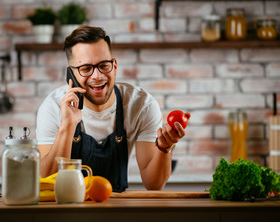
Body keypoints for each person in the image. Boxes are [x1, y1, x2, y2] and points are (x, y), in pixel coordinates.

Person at [36, 25, 190, 192]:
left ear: (115, 66)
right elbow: (46, 182)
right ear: (71, 75)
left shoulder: (141, 105)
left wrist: (164, 147)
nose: (97, 76)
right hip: (67, 208)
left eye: (103, 65)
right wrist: (67, 126)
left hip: (117, 209)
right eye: (86, 69)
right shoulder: (52, 107)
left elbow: (153, 184)